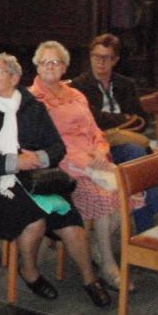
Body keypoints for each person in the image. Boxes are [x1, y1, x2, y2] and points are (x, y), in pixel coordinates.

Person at [0, 52, 110, 307]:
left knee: (71, 223)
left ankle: (90, 279)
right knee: (34, 220)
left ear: (15, 77)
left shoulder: (33, 107)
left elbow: (57, 147)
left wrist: (40, 157)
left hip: (38, 177)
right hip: (0, 182)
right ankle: (29, 271)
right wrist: (14, 162)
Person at [29, 40, 142, 291]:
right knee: (104, 199)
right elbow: (40, 144)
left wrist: (102, 148)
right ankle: (108, 263)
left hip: (93, 158)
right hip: (64, 165)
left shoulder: (76, 94)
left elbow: (95, 131)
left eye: (56, 61)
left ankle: (96, 248)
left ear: (64, 67)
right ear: (37, 66)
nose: (50, 66)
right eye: (45, 61)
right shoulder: (32, 100)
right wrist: (82, 161)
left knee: (123, 191)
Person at [71, 33, 158, 232]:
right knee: (139, 157)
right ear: (90, 57)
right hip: (96, 148)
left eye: (106, 58)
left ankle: (148, 229)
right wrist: (123, 119)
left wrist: (112, 121)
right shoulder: (79, 86)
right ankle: (153, 222)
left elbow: (142, 120)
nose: (100, 62)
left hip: (124, 143)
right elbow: (91, 120)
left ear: (115, 60)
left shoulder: (125, 84)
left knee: (138, 157)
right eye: (96, 56)